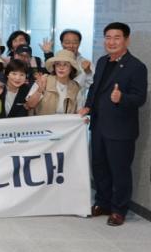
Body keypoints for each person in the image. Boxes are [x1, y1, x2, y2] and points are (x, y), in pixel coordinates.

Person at [79, 22, 147, 226]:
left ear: (126, 40)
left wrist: (122, 98)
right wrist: (88, 106)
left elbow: (140, 98)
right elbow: (95, 88)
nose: (111, 42)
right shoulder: (102, 61)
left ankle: (119, 210)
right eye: (108, 37)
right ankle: (103, 203)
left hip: (121, 129)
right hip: (99, 125)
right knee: (99, 167)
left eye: (117, 38)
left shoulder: (136, 66)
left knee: (119, 170)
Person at [43, 29, 94, 109]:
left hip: (76, 108)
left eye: (75, 42)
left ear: (79, 43)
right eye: (67, 42)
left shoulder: (87, 63)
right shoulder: (54, 61)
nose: (71, 45)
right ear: (61, 43)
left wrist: (88, 72)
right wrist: (47, 54)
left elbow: (92, 86)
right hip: (52, 107)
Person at [31, 50, 80, 115]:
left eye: (65, 65)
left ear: (72, 68)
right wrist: (40, 90)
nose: (61, 68)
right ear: (54, 67)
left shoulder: (76, 87)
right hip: (43, 121)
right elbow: (29, 105)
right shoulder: (44, 79)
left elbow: (79, 110)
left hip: (65, 121)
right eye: (58, 64)